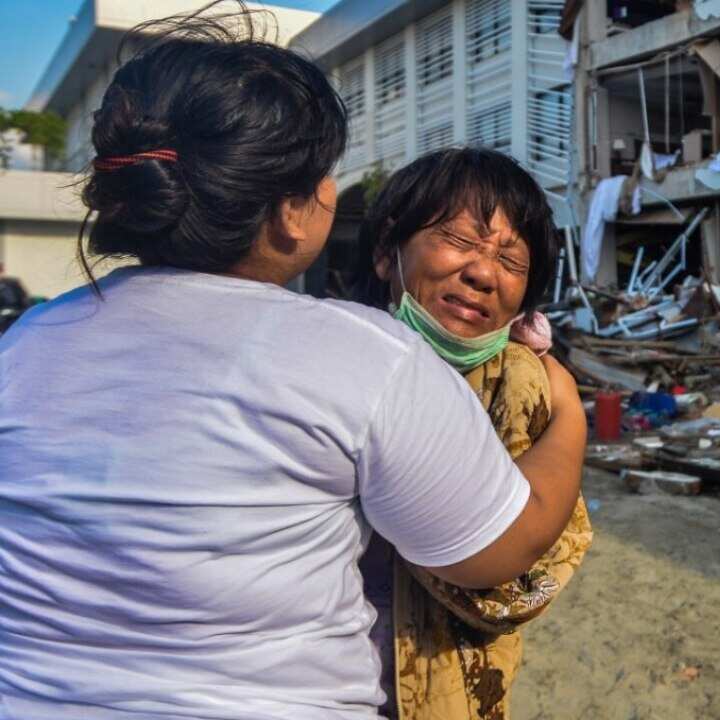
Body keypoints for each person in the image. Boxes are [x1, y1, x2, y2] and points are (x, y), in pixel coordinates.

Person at [0, 10, 585, 720]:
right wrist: (573, 421)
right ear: (290, 214)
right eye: (324, 174)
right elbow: (499, 552)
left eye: (510, 258)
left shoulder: (24, 343)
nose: (482, 275)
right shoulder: (360, 355)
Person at [353, 148, 592, 720]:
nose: (483, 273)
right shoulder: (339, 360)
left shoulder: (523, 384)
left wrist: (567, 412)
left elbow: (515, 579)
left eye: (510, 260)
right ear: (389, 252)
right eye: (459, 241)